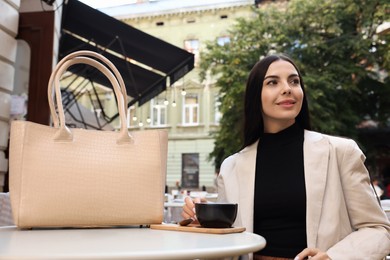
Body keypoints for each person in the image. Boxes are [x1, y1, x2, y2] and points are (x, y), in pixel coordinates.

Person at [181, 54, 390, 260]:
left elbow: (379, 230)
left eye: (294, 81)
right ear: (256, 95)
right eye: (272, 82)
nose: (287, 88)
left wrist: (333, 257)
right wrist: (203, 223)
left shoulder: (341, 152)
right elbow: (229, 243)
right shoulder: (232, 167)